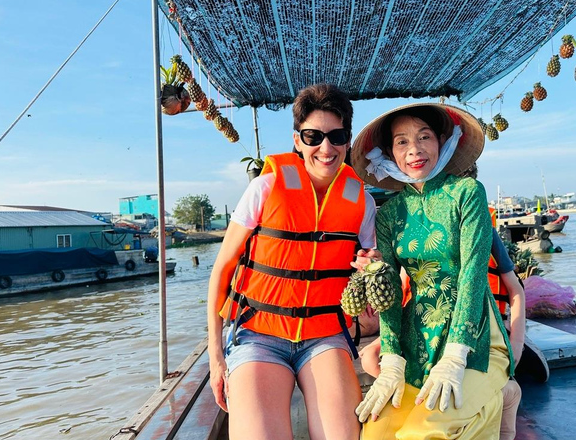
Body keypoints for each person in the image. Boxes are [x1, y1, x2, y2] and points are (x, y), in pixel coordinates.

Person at [206, 83, 378, 440]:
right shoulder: (265, 187)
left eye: (336, 136)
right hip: (258, 334)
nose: (326, 148)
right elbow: (221, 270)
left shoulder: (362, 202)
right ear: (297, 140)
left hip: (325, 334)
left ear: (348, 140)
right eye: (313, 136)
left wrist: (370, 266)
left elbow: (372, 270)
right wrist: (215, 358)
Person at [349, 103, 515, 440]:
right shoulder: (390, 213)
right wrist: (392, 360)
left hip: (474, 339)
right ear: (390, 152)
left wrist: (456, 356)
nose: (414, 150)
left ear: (442, 140)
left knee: (426, 431)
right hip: (417, 340)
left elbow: (471, 273)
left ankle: (500, 395)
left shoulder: (467, 193)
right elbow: (391, 293)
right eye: (401, 142)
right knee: (376, 432)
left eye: (424, 137)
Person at [358, 223, 525, 440]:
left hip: (477, 331)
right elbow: (402, 294)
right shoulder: (407, 234)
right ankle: (420, 401)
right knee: (370, 358)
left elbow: (515, 289)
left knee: (427, 430)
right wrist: (377, 270)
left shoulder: (478, 226)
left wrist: (516, 346)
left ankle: (499, 395)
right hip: (425, 331)